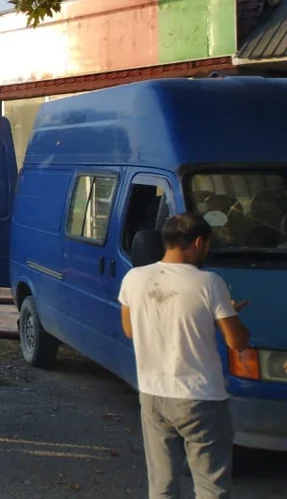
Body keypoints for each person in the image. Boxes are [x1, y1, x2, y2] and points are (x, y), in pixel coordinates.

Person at [119, 212, 251, 499]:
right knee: (210, 487)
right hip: (200, 398)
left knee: (162, 486)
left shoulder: (134, 277)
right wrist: (228, 317)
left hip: (153, 395)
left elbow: (130, 330)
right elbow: (237, 342)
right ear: (199, 242)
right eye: (207, 246)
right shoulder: (209, 282)